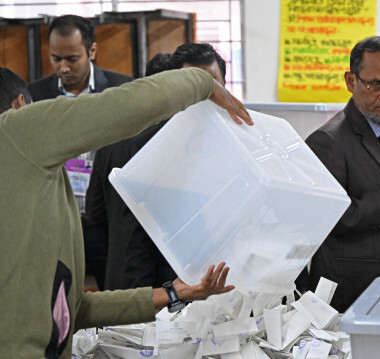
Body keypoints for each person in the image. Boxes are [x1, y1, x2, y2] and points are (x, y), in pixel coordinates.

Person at [0, 65, 252, 358]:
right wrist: (204, 84)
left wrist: (175, 293)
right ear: (21, 106)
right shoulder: (16, 131)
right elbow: (126, 106)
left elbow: (75, 308)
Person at [305, 36, 380, 312]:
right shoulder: (327, 141)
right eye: (375, 85)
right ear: (351, 82)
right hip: (354, 298)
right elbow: (328, 219)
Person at [27, 14, 135, 290]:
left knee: (113, 297)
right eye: (55, 58)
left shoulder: (122, 90)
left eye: (72, 59)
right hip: (55, 225)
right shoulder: (33, 97)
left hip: (104, 223)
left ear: (92, 51)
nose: (63, 67)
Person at [84, 52, 176, 290]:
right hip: (172, 283)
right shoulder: (179, 141)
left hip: (122, 277)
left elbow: (94, 211)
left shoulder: (113, 134)